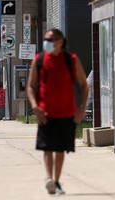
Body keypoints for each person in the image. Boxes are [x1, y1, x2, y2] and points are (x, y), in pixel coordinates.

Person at [27, 28, 89, 195]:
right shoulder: (39, 60)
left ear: (60, 42)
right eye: (46, 39)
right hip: (45, 113)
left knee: (60, 149)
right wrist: (34, 105)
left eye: (51, 39)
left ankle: (56, 181)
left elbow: (84, 85)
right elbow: (31, 87)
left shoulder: (71, 61)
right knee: (47, 147)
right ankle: (48, 179)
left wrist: (82, 108)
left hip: (67, 113)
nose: (47, 42)